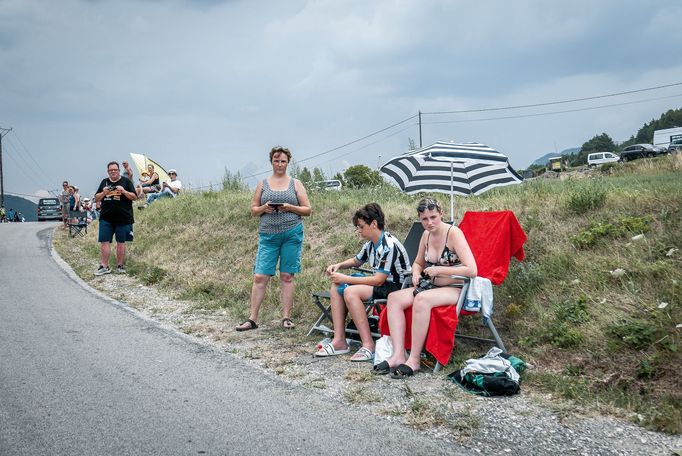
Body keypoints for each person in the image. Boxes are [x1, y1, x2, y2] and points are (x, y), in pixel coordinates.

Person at [379, 198, 477, 378]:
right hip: (431, 285)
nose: (429, 222)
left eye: (433, 217)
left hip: (455, 287)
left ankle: (414, 359)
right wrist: (416, 273)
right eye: (424, 219)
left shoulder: (454, 233)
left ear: (442, 214)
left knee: (422, 299)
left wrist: (438, 269)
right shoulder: (426, 235)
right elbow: (417, 262)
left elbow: (472, 269)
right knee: (394, 298)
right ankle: (398, 354)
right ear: (419, 219)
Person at [315, 203, 411, 362]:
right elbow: (356, 261)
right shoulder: (371, 244)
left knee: (350, 291)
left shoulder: (388, 245)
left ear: (373, 223)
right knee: (336, 285)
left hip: (396, 288)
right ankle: (339, 340)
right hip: (381, 284)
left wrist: (346, 278)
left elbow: (379, 280)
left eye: (361, 226)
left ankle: (368, 345)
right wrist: (338, 265)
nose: (358, 230)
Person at [236, 146, 311, 331]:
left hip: (291, 233)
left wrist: (289, 207)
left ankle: (286, 317)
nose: (279, 164)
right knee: (260, 276)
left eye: (283, 161)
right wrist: (263, 208)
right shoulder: (263, 184)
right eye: (276, 161)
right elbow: (253, 210)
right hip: (268, 235)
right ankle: (252, 319)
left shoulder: (296, 183)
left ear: (288, 162)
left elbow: (307, 209)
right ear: (271, 162)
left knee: (287, 276)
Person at [94, 161, 138, 275]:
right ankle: (104, 266)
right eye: (110, 170)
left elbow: (134, 197)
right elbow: (97, 198)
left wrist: (123, 191)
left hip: (123, 218)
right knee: (104, 241)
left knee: (121, 242)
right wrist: (104, 193)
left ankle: (120, 266)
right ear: (108, 171)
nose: (113, 172)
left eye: (115, 170)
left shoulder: (126, 181)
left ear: (119, 171)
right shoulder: (104, 182)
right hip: (106, 218)